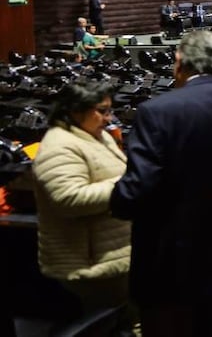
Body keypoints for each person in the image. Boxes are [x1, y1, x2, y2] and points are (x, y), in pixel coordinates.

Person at [110, 30, 212, 335]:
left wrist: (115, 193)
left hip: (170, 272)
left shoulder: (156, 112)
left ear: (179, 63)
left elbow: (133, 195)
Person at [33, 80, 131, 316]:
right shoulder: (59, 146)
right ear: (75, 110)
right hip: (88, 262)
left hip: (110, 254)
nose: (109, 118)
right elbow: (69, 199)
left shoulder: (97, 135)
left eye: (110, 110)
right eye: (102, 110)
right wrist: (128, 185)